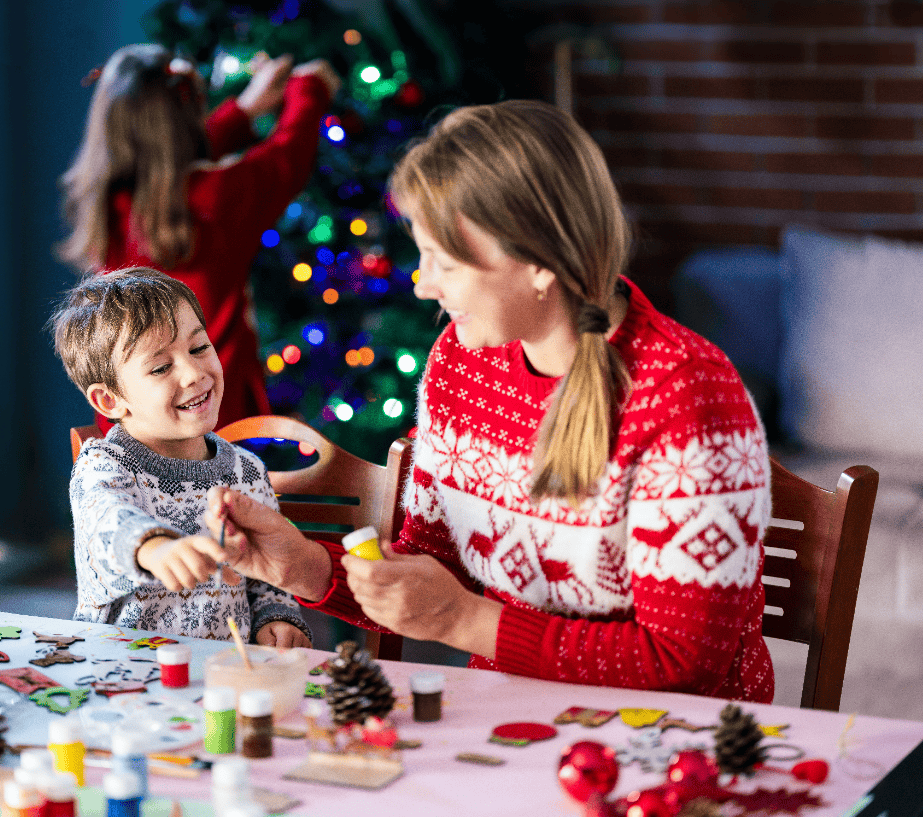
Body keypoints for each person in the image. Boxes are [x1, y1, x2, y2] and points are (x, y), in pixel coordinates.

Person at [207, 100, 775, 702]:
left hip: (672, 743)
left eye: (445, 263)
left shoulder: (685, 393)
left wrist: (465, 621)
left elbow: (685, 664)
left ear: (537, 264)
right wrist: (303, 566)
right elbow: (431, 574)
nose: (422, 285)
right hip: (509, 718)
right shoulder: (463, 360)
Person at [58, 44, 340, 432]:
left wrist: (243, 112)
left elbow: (160, 158)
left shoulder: (102, 198)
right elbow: (285, 158)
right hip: (212, 424)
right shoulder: (217, 199)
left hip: (130, 428)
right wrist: (310, 87)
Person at [50, 268, 312, 647]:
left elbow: (267, 581)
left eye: (199, 347)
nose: (193, 373)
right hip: (124, 676)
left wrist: (278, 618)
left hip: (223, 676)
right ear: (110, 400)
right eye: (160, 367)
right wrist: (155, 547)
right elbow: (107, 521)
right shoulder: (102, 465)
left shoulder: (247, 472)